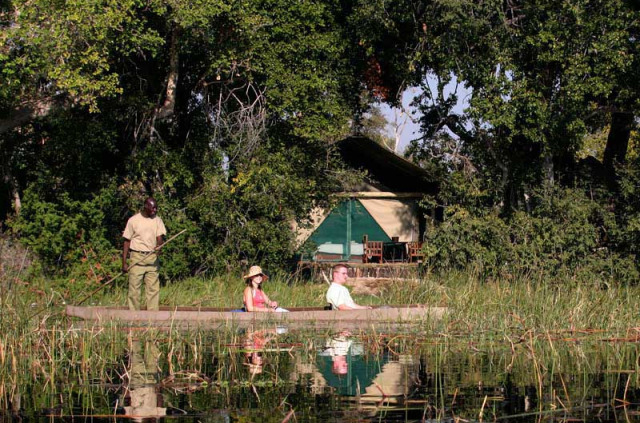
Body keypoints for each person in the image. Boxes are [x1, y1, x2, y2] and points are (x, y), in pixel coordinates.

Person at [122, 197, 167, 311]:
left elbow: (159, 237)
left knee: (153, 289)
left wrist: (159, 247)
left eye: (156, 208)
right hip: (137, 258)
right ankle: (134, 316)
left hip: (152, 258)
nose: (155, 210)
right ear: (145, 206)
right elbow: (127, 242)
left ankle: (152, 317)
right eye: (152, 208)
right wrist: (124, 263)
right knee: (134, 289)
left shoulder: (158, 220)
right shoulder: (133, 220)